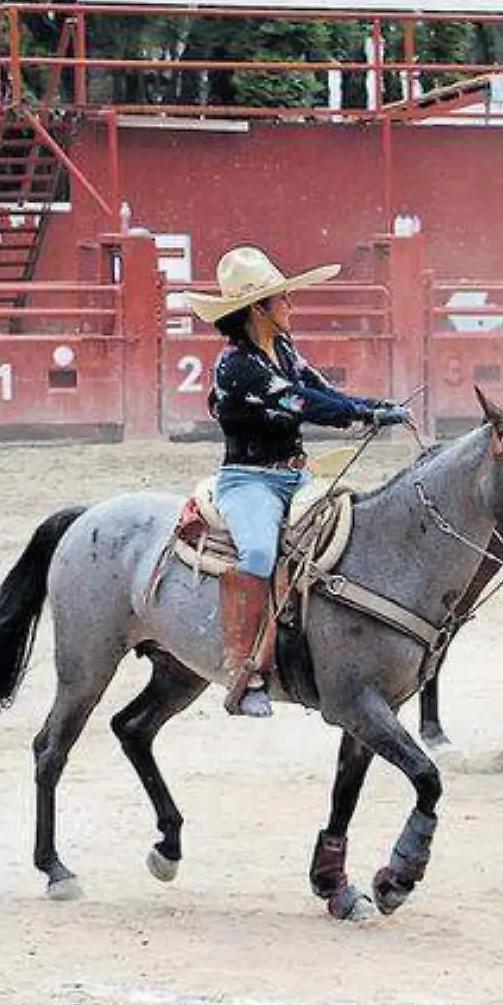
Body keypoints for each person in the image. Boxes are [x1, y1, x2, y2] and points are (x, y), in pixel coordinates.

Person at [187, 245, 409, 718]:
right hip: (249, 482)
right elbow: (301, 403)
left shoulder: (282, 350)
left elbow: (322, 391)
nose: (291, 304)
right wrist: (365, 413)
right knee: (260, 554)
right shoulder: (237, 365)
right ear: (256, 310)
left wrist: (375, 406)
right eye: (283, 298)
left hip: (295, 474)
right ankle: (244, 669)